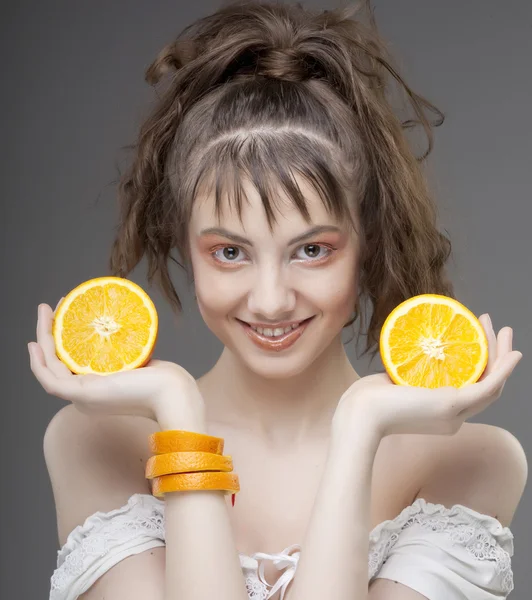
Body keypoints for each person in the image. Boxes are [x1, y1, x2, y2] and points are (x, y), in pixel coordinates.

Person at [28, 2, 526, 599]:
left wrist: (360, 426)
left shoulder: (474, 462)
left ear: (368, 243)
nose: (269, 300)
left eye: (312, 250)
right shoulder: (92, 441)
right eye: (230, 253)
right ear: (185, 244)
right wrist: (177, 410)